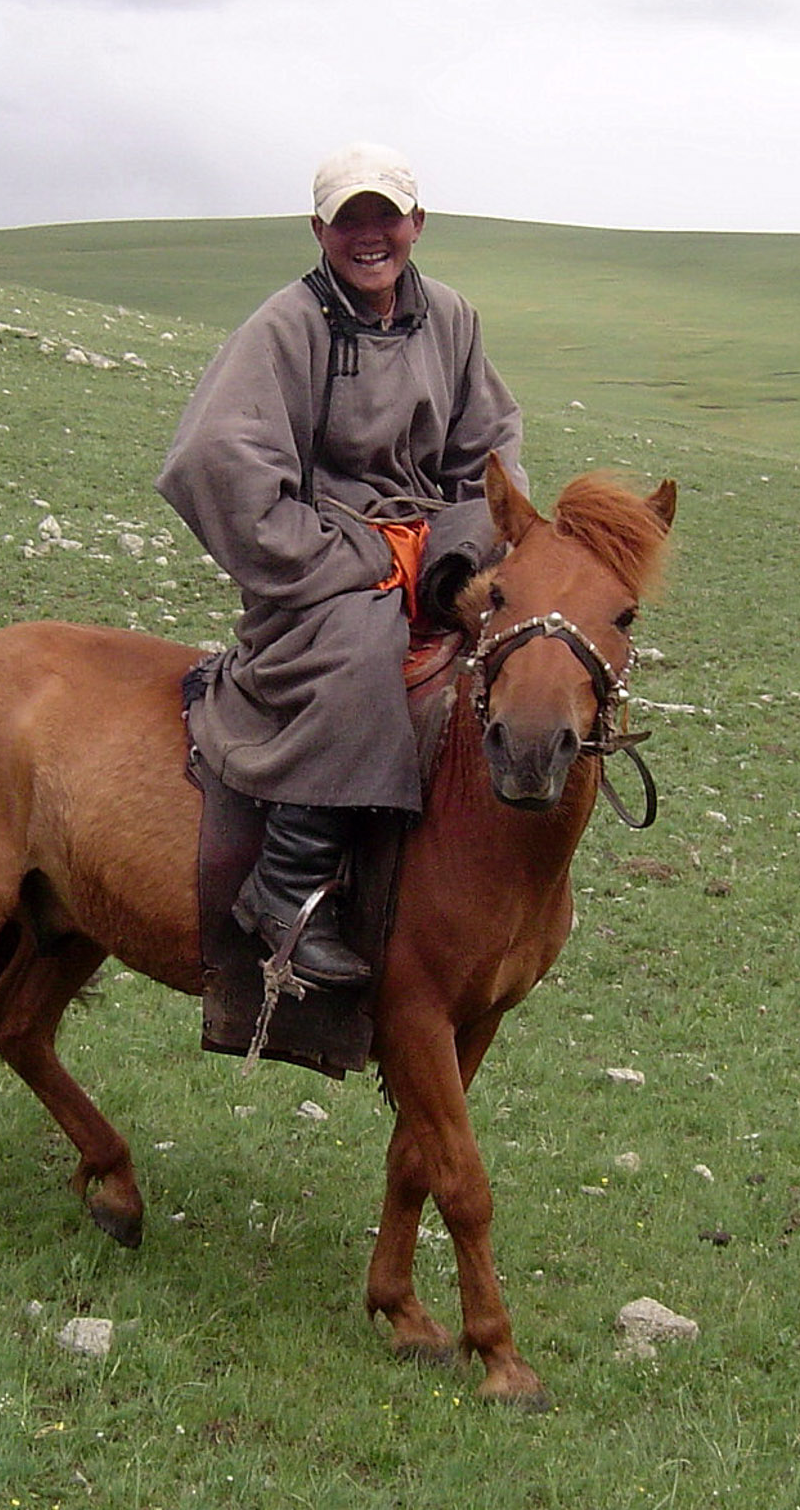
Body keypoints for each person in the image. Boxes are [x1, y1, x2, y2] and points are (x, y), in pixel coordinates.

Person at [157, 141, 525, 990]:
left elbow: (491, 451)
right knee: (364, 652)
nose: (370, 235)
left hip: (431, 549)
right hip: (323, 569)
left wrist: (459, 552)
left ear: (416, 225)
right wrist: (334, 552)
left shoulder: (453, 320)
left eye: (385, 217)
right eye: (349, 219)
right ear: (319, 229)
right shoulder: (287, 325)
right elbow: (214, 454)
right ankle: (282, 889)